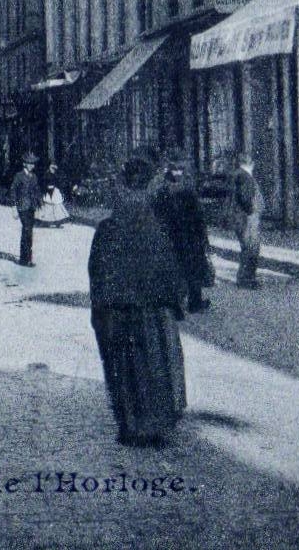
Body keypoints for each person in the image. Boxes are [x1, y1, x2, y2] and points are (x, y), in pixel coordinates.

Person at [88, 156, 188, 447]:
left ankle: (131, 426)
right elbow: (171, 268)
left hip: (120, 310)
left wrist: (101, 310)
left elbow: (98, 272)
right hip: (154, 311)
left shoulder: (109, 226)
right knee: (157, 365)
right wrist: (174, 301)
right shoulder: (156, 223)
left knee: (125, 368)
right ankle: (157, 425)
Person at [153, 152, 212, 311]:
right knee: (193, 271)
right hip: (189, 238)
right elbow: (198, 218)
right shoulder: (188, 191)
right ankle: (194, 303)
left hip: (172, 237)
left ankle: (176, 305)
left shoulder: (161, 192)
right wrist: (204, 239)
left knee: (175, 271)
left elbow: (157, 216)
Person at [228, 152, 264, 289]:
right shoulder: (245, 177)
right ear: (251, 163)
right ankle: (247, 279)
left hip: (241, 219)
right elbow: (246, 198)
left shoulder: (237, 175)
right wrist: (252, 211)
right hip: (247, 219)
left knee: (247, 248)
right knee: (251, 249)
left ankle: (244, 278)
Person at [11, 153, 44, 266]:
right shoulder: (18, 176)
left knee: (29, 232)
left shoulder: (34, 176)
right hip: (22, 207)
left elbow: (37, 191)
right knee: (26, 230)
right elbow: (13, 191)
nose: (31, 166)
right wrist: (13, 207)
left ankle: (28, 258)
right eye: (29, 163)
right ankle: (24, 260)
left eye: (33, 164)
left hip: (31, 207)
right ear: (24, 164)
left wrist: (40, 205)